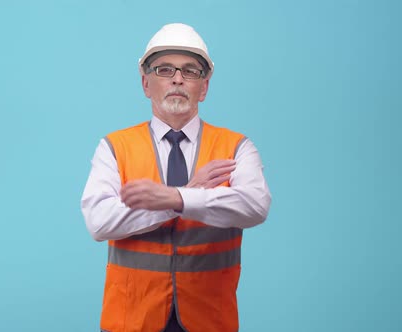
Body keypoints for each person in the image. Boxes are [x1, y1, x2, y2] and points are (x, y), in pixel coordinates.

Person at [81, 23, 271, 332]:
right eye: (164, 70)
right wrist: (184, 195)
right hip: (133, 320)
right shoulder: (115, 148)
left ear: (204, 88)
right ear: (146, 84)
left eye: (190, 71)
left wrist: (175, 197)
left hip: (210, 320)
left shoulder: (236, 147)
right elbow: (99, 222)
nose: (178, 79)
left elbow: (255, 206)